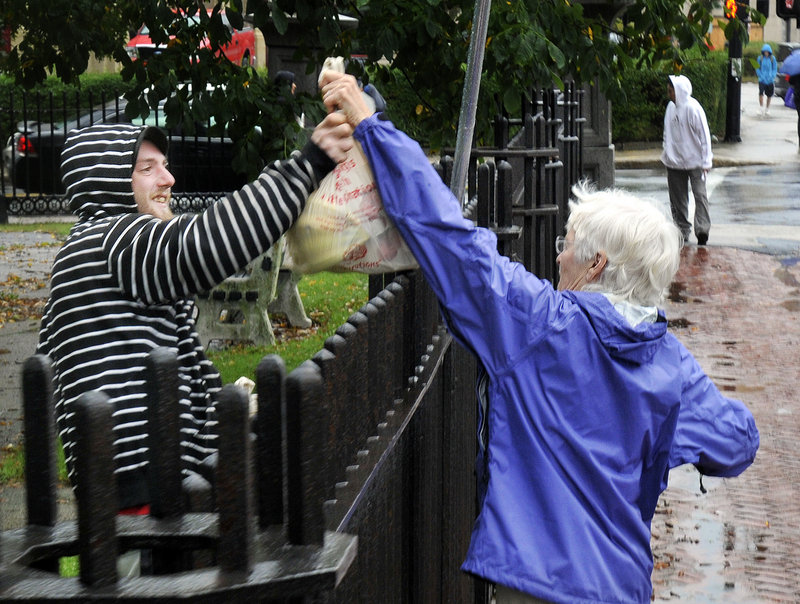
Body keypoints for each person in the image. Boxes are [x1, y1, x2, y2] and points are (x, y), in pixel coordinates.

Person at [320, 72, 759, 604]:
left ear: (596, 264)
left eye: (566, 245)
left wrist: (371, 125)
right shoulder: (671, 365)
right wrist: (669, 443)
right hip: (621, 585)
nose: (556, 255)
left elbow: (448, 237)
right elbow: (736, 443)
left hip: (540, 586)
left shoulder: (541, 324)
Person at [37, 112, 354, 514]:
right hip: (145, 490)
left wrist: (221, 410)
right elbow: (207, 243)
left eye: (164, 166)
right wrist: (309, 165)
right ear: (109, 185)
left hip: (137, 478)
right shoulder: (118, 240)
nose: (168, 179)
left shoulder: (85, 250)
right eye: (146, 169)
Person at [661, 74, 713, 246]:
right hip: (675, 160)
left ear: (679, 91)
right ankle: (681, 230)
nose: (669, 95)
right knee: (677, 198)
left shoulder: (693, 108)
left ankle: (702, 229)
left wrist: (707, 160)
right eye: (669, 91)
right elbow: (667, 132)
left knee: (700, 194)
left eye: (672, 91)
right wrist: (667, 152)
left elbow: (704, 135)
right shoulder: (670, 108)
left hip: (696, 161)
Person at [756, 44, 778, 117]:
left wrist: (772, 76)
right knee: (761, 93)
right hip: (762, 80)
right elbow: (757, 68)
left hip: (770, 80)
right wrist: (760, 75)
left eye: (767, 52)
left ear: (769, 52)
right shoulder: (760, 58)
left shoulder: (772, 59)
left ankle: (767, 109)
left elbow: (775, 68)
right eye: (765, 51)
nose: (766, 53)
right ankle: (761, 107)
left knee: (769, 95)